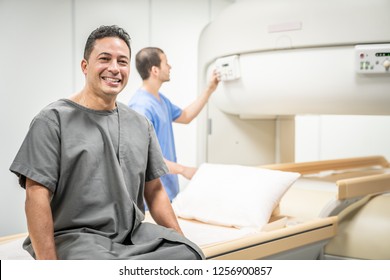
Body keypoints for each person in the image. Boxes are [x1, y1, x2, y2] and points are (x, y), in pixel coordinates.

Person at [9, 25, 203, 260]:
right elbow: (35, 194)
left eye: (122, 62)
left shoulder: (140, 124)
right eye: (104, 59)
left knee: (189, 254)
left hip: (131, 235)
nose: (114, 68)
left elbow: (155, 191)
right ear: (85, 66)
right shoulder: (53, 120)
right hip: (76, 237)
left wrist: (181, 239)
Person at [128, 47, 219, 201]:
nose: (170, 67)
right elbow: (145, 157)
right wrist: (183, 170)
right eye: (166, 63)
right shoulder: (141, 107)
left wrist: (209, 89)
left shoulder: (160, 100)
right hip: (152, 196)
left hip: (168, 190)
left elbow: (186, 116)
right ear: (155, 70)